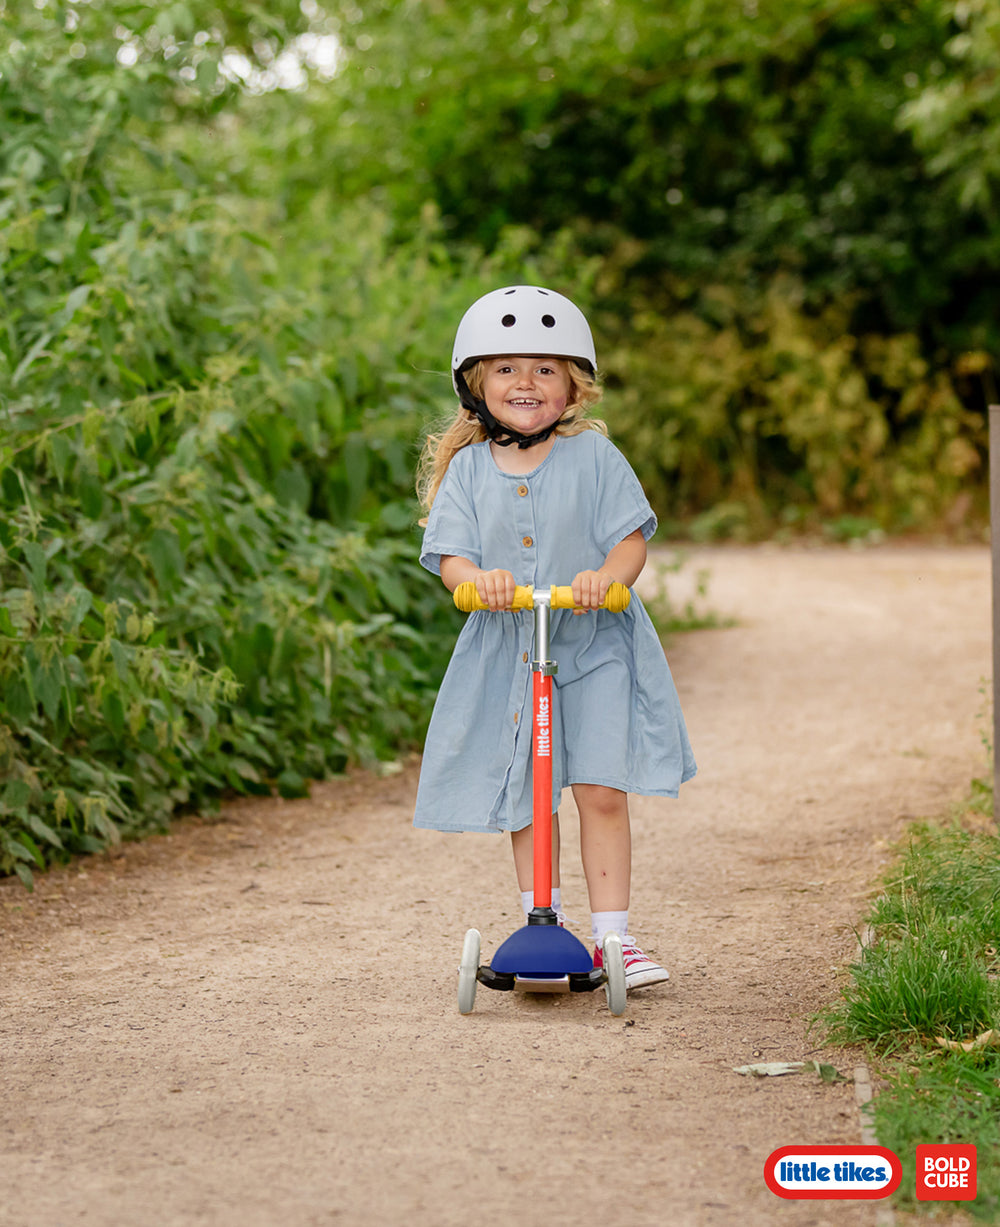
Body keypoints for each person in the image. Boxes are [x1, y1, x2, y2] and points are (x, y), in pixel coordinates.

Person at [413, 285, 696, 989]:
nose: (526, 383)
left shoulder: (596, 460)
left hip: (593, 642)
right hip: (510, 649)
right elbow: (451, 559)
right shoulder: (470, 471)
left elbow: (630, 540)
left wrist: (608, 574)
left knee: (601, 786)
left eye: (545, 368)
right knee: (530, 792)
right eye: (507, 369)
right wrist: (476, 579)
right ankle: (545, 919)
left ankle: (613, 940)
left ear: (573, 385)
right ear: (477, 384)